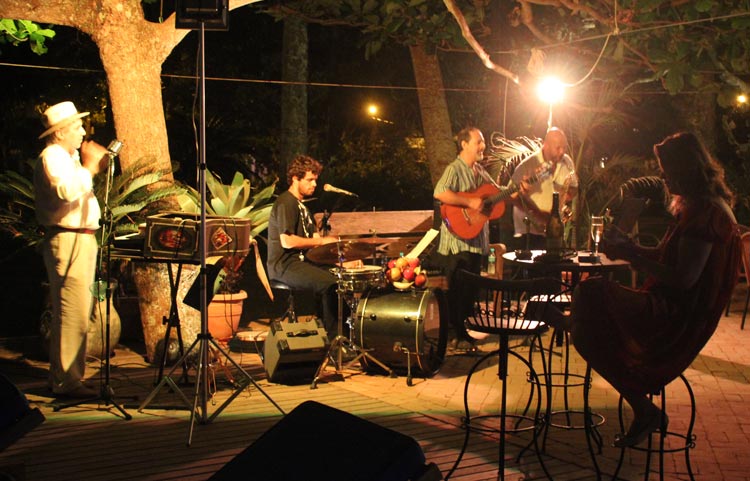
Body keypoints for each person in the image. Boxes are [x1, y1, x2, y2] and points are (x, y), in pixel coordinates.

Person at [567, 132, 741, 448]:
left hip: (676, 318)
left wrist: (633, 256)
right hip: (672, 307)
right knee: (584, 322)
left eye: (667, 170)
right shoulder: (701, 208)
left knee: (590, 296)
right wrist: (630, 248)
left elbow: (684, 279)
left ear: (685, 169)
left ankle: (643, 406)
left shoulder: (707, 215)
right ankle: (640, 405)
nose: (663, 177)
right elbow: (668, 258)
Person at [34, 101, 109, 398]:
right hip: (68, 239)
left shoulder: (68, 157)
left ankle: (69, 378)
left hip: (80, 238)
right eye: (76, 127)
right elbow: (66, 192)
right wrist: (90, 167)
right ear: (61, 132)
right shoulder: (52, 156)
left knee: (78, 311)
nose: (82, 132)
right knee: (71, 311)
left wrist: (94, 167)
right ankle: (66, 382)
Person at [434, 127, 526, 348]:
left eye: (483, 141)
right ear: (464, 144)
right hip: (458, 240)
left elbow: (498, 193)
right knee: (457, 290)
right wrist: (469, 202)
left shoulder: (481, 171)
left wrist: (518, 190)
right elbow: (440, 192)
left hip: (476, 240)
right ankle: (455, 336)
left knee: (470, 290)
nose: (483, 146)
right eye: (479, 141)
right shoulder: (454, 169)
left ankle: (463, 334)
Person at [267, 155, 340, 336]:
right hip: (284, 266)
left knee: (341, 277)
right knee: (331, 284)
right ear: (295, 178)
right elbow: (287, 241)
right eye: (309, 180)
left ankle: (334, 333)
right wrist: (321, 241)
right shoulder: (286, 202)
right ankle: (333, 340)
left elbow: (316, 246)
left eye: (315, 180)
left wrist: (343, 259)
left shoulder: (304, 209)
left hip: (303, 263)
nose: (314, 184)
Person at [511, 127, 578, 250]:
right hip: (529, 233)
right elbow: (512, 196)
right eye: (558, 147)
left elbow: (574, 187)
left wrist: (564, 197)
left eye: (564, 147)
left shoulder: (567, 161)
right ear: (546, 145)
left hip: (553, 230)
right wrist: (539, 214)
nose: (562, 151)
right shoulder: (527, 165)